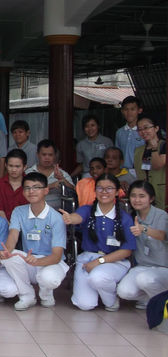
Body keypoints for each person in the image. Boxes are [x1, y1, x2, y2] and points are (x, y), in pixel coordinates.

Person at [60, 174, 135, 311]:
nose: (104, 192)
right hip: (87, 260)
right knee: (85, 305)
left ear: (117, 192)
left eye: (109, 188)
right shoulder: (87, 210)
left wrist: (99, 262)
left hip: (114, 262)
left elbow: (127, 250)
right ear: (95, 191)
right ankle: (99, 290)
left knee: (98, 277)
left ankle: (111, 301)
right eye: (100, 188)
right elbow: (78, 217)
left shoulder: (125, 218)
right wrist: (70, 218)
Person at [0, 172, 69, 310]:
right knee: (9, 257)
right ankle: (27, 295)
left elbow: (56, 256)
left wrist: (37, 261)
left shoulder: (56, 218)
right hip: (29, 259)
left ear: (46, 190)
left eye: (36, 187)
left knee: (48, 278)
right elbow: (13, 235)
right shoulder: (19, 211)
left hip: (51, 262)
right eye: (27, 188)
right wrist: (7, 251)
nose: (31, 191)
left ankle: (46, 295)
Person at [117, 181, 168, 309]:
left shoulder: (161, 215)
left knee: (144, 279)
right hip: (142, 266)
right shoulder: (131, 216)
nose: (137, 200)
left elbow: (162, 235)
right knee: (124, 292)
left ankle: (162, 303)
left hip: (163, 268)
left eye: (142, 196)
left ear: (151, 198)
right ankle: (150, 298)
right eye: (133, 196)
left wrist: (144, 229)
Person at [25, 139, 74, 210]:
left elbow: (74, 192)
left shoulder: (61, 173)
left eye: (50, 155)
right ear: (37, 155)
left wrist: (62, 179)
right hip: (32, 211)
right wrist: (51, 186)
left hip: (57, 212)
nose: (47, 158)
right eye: (44, 154)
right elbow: (24, 191)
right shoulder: (29, 173)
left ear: (55, 156)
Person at [134, 115, 166, 209]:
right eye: (139, 129)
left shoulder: (164, 145)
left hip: (161, 191)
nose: (143, 132)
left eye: (146, 128)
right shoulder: (139, 150)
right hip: (144, 191)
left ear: (156, 128)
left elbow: (157, 165)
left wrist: (154, 148)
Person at [0, 149, 28, 221]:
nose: (14, 169)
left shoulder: (30, 184)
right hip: (3, 223)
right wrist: (8, 224)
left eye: (17, 166)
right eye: (10, 166)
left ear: (25, 167)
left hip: (26, 224)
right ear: (5, 165)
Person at [115, 96, 144, 172]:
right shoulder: (119, 132)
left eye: (132, 109)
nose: (129, 113)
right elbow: (117, 154)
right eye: (126, 109)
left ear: (139, 110)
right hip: (123, 171)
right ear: (122, 111)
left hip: (140, 171)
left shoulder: (144, 131)